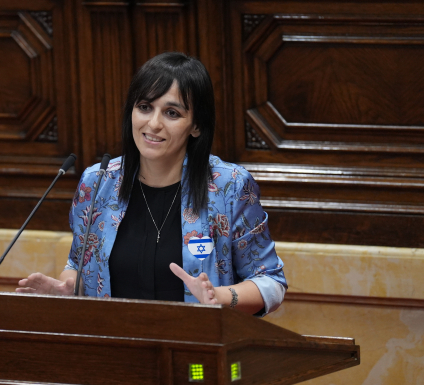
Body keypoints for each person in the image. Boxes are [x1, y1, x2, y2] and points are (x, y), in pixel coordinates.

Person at [17, 52, 287, 316]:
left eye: (171, 113)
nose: (153, 124)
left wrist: (220, 297)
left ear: (196, 126)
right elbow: (78, 263)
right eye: (145, 107)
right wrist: (69, 289)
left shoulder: (230, 186)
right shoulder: (97, 182)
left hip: (196, 355)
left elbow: (271, 282)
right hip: (116, 351)